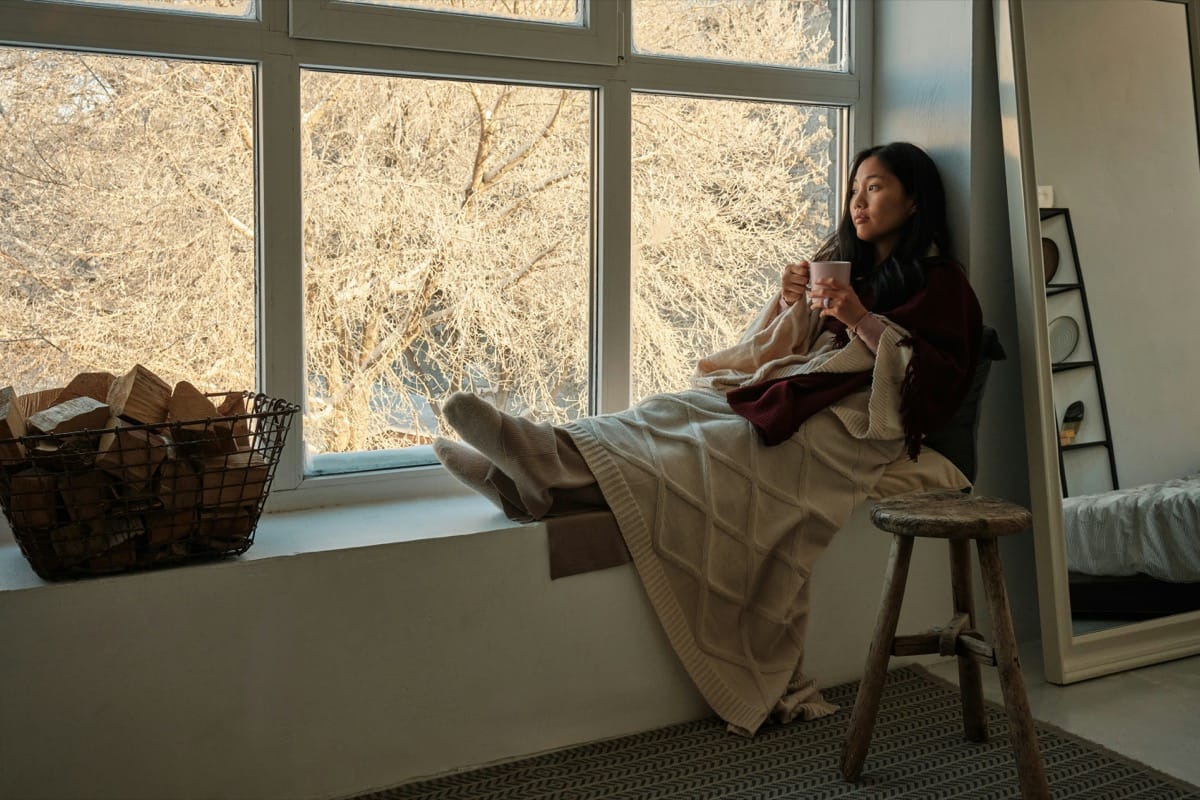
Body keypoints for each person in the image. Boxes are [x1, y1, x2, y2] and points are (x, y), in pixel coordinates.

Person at [434, 141, 982, 737]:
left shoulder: (943, 284)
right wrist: (789, 301)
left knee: (724, 445)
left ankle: (540, 476)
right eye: (854, 188)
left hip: (860, 424)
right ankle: (545, 457)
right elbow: (772, 353)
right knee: (677, 410)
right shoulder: (847, 267)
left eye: (873, 187)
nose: (857, 200)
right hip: (795, 389)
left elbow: (933, 383)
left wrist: (857, 318)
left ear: (914, 199)